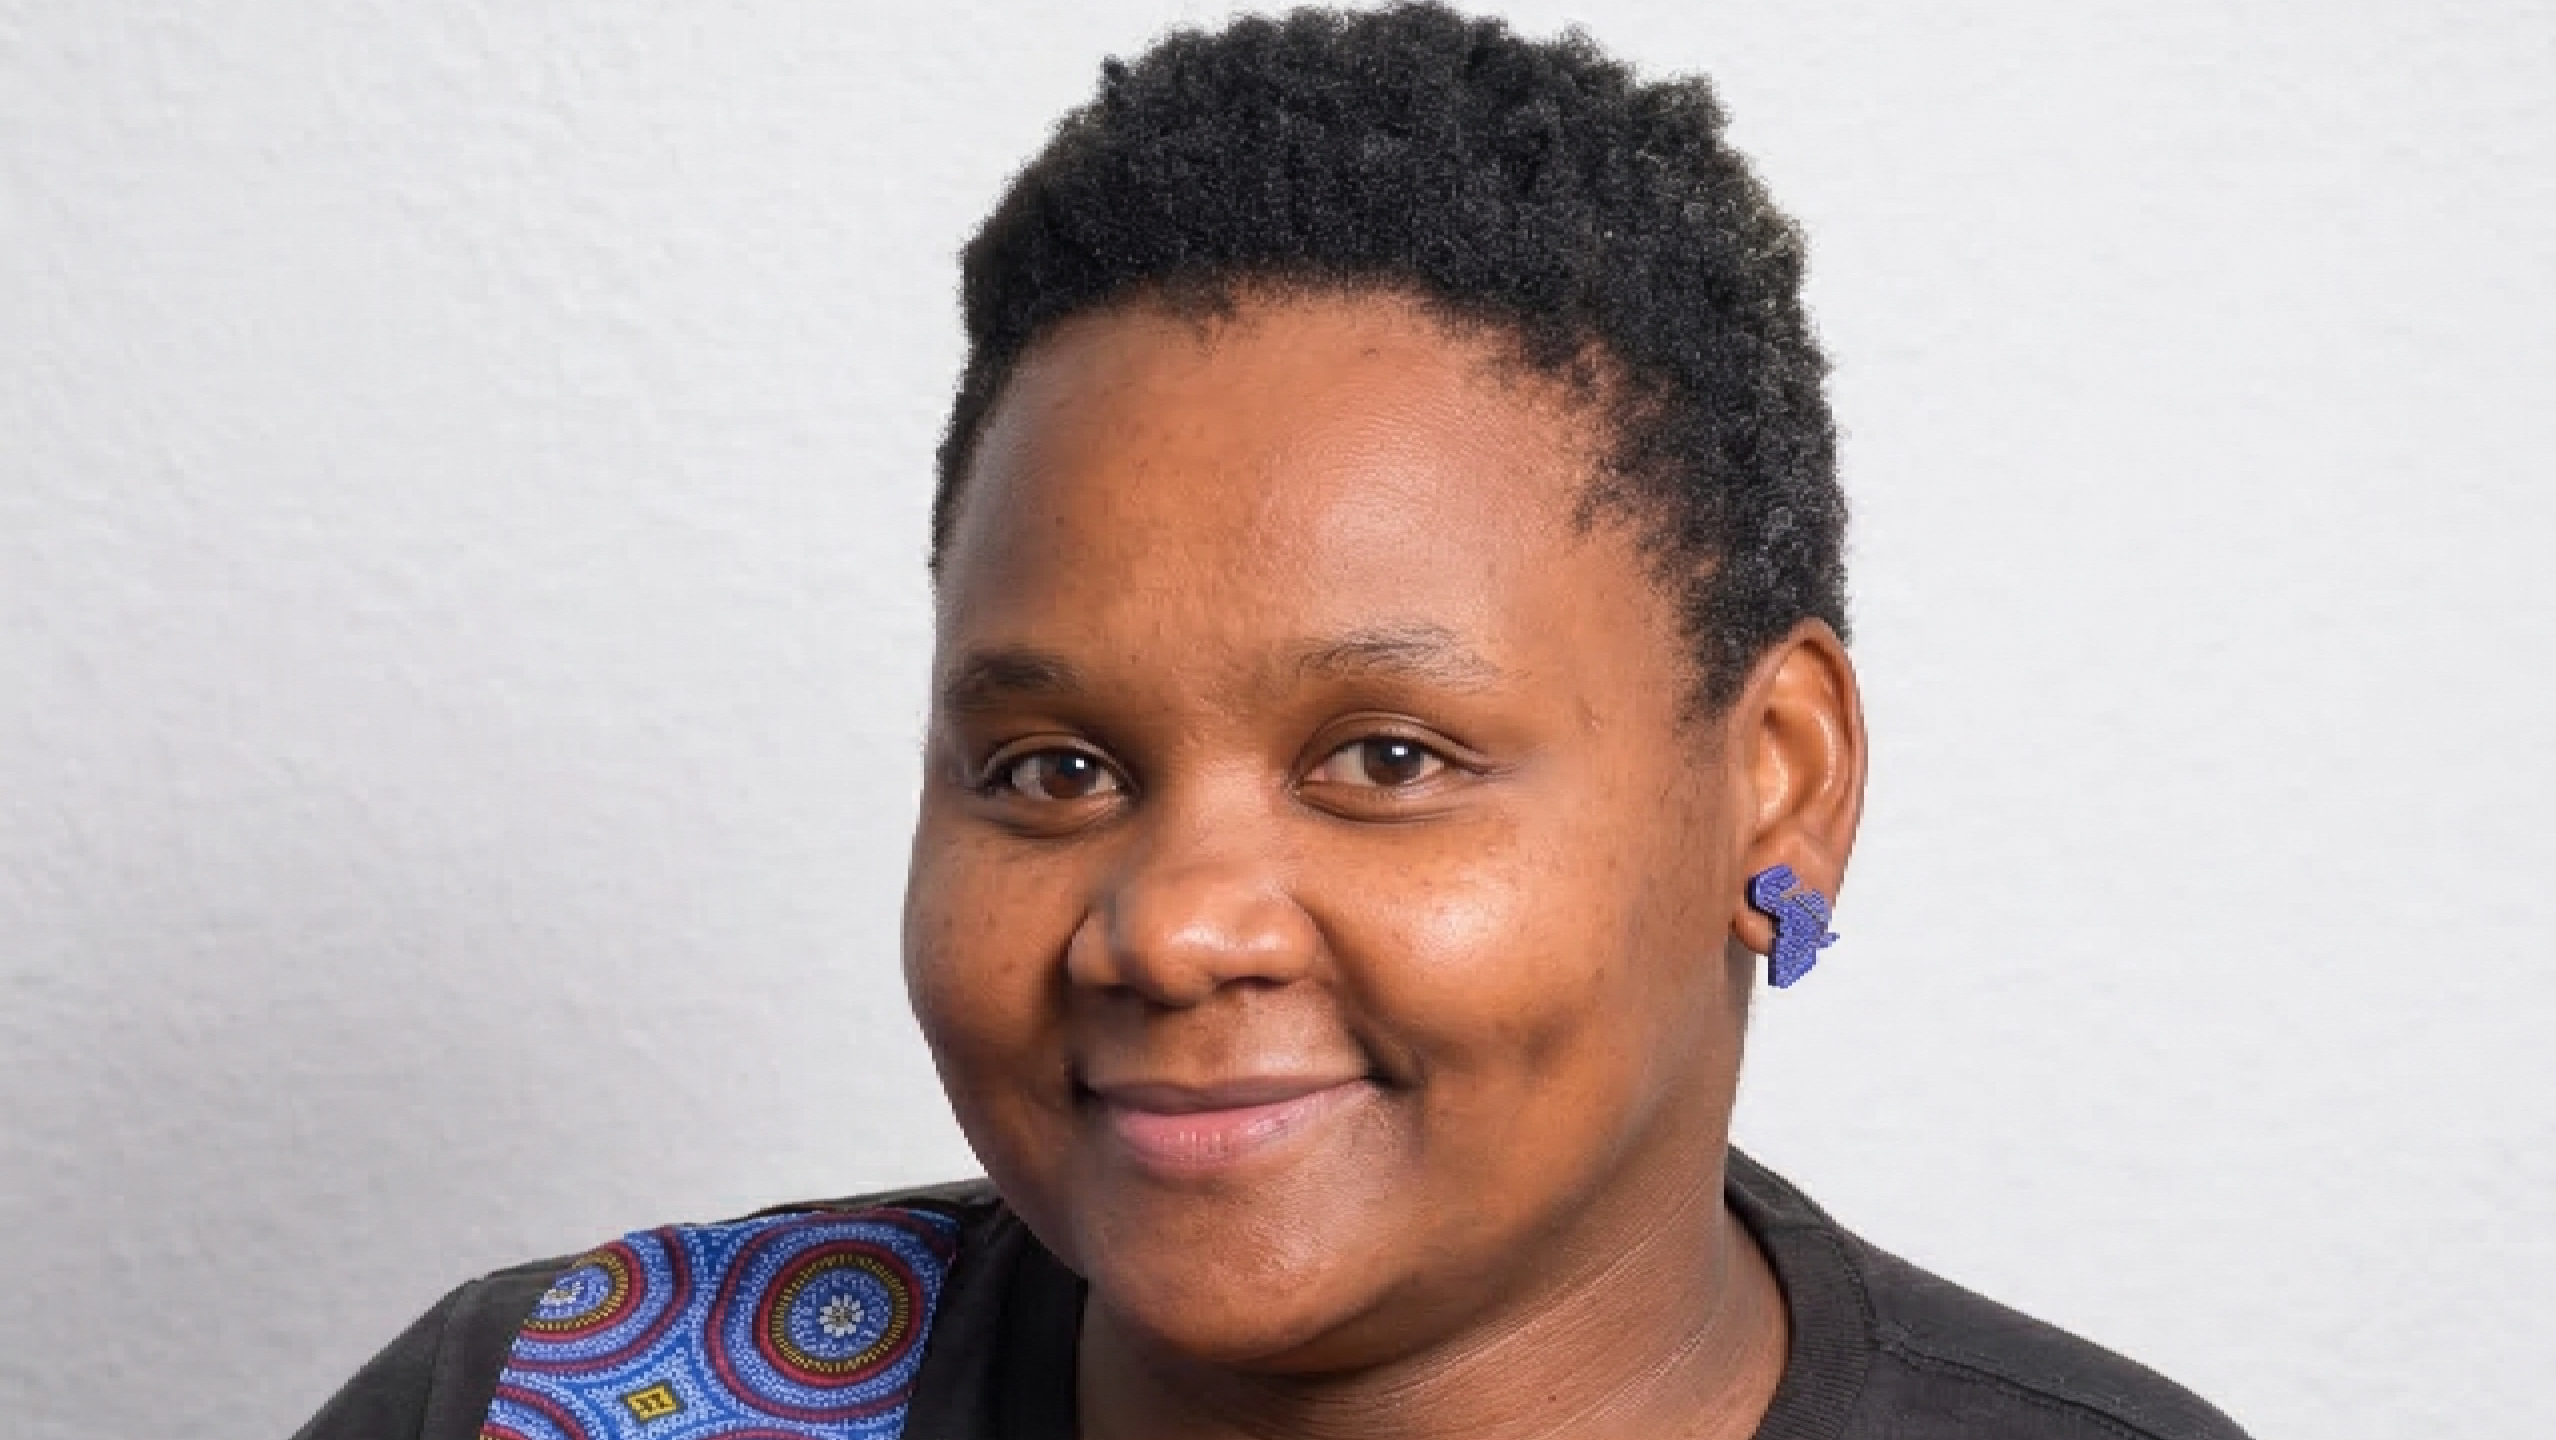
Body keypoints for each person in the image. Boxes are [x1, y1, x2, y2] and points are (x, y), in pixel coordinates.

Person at [295, 6, 2251, 1437]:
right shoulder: (549, 1407)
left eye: (1384, 758)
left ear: (1778, 782)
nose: (1169, 927)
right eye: (1054, 769)